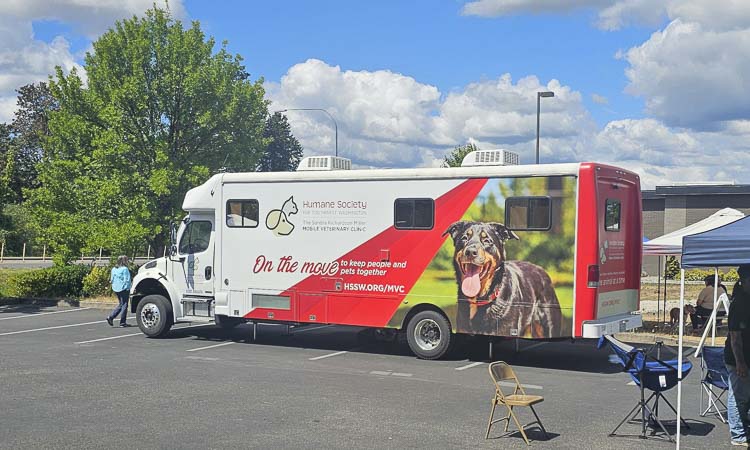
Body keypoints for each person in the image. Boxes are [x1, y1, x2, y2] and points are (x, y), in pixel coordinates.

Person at [725, 264, 750, 447]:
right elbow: (735, 337)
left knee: (743, 396)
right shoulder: (739, 303)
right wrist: (740, 362)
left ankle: (742, 430)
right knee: (738, 396)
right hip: (738, 358)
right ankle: (738, 435)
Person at [106, 255, 132, 327]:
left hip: (116, 288)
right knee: (124, 304)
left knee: (121, 304)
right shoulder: (125, 269)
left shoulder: (114, 269)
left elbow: (112, 279)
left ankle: (111, 317)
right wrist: (128, 288)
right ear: (124, 261)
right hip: (124, 288)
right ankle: (122, 322)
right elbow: (127, 280)